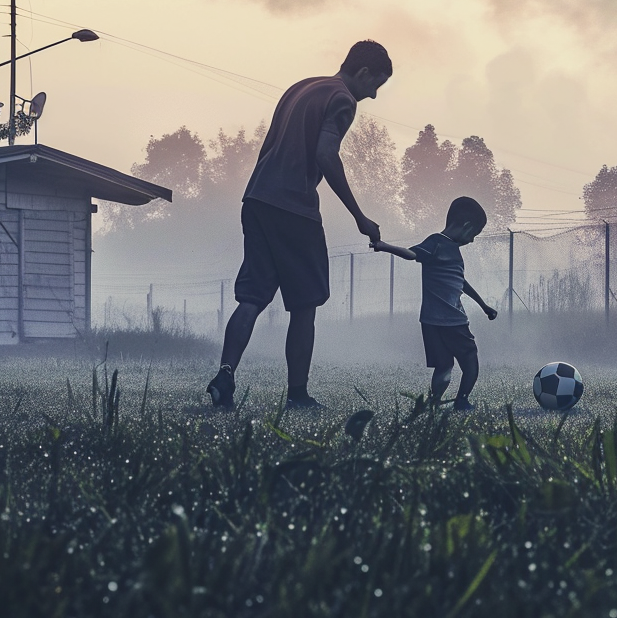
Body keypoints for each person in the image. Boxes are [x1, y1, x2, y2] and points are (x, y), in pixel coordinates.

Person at [206, 40, 391, 410]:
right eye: (376, 85)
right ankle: (298, 394)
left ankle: (225, 374)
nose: (373, 95)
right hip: (294, 209)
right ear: (364, 73)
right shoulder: (343, 99)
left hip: (257, 199)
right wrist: (359, 216)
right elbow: (325, 154)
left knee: (252, 297)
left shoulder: (301, 86)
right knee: (305, 305)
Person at [371, 197, 498, 410]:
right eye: (474, 235)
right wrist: (384, 246)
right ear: (467, 227)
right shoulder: (437, 242)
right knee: (470, 358)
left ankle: (433, 403)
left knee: (443, 365)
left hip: (430, 321)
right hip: (452, 320)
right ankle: (462, 400)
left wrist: (484, 305)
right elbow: (412, 254)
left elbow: (460, 282)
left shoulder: (449, 248)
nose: (472, 241)